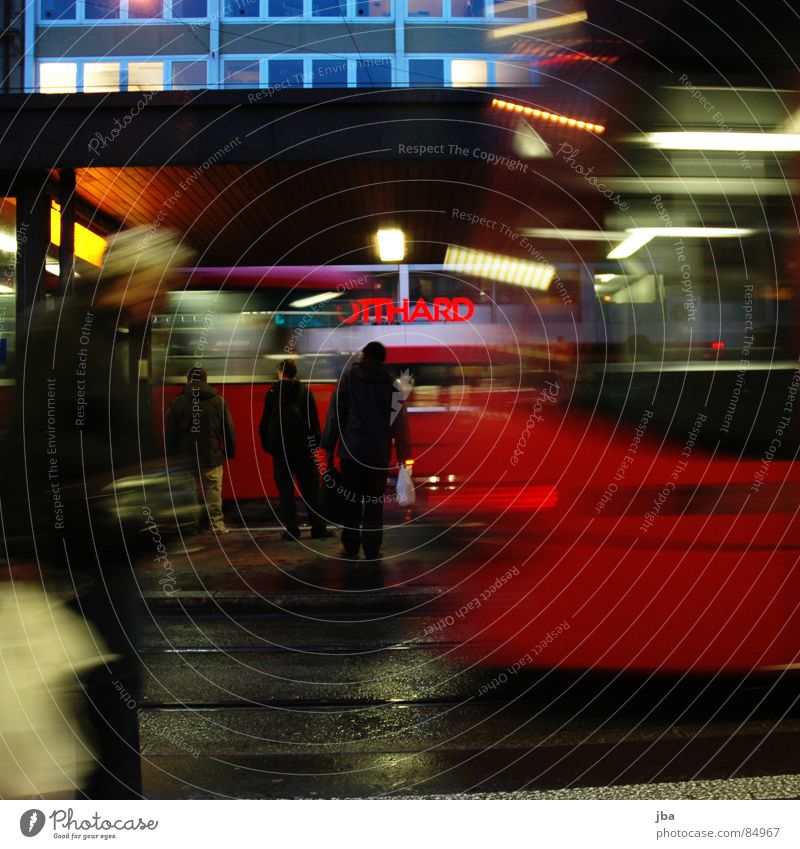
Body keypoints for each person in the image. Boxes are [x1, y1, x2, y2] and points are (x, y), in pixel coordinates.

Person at [1, 226, 193, 799]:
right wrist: (23, 546)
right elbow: (29, 444)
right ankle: (101, 810)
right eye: (161, 284)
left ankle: (111, 804)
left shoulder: (118, 335)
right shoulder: (61, 333)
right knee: (97, 687)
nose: (165, 297)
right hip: (69, 549)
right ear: (131, 279)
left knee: (112, 681)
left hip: (109, 545)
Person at [323, 341, 411, 559]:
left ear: (364, 356)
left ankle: (350, 546)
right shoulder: (393, 385)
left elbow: (336, 415)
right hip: (378, 455)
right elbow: (399, 424)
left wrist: (327, 447)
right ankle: (372, 547)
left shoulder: (348, 379)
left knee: (351, 501)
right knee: (374, 503)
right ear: (383, 359)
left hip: (351, 452)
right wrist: (403, 457)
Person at [259, 359, 331, 541]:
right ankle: (318, 527)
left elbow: (265, 423)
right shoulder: (305, 392)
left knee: (285, 491)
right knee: (310, 489)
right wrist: (313, 447)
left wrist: (270, 447)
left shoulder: (272, 393)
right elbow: (313, 423)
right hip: (304, 451)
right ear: (295, 373)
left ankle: (292, 529)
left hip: (281, 452)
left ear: (280, 373)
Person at [165, 366, 236, 535]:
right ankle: (217, 525)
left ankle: (191, 527)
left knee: (189, 493)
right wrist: (229, 450)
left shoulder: (179, 402)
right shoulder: (218, 400)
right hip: (210, 456)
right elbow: (228, 429)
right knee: (212, 491)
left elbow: (171, 433)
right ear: (205, 380)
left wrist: (171, 457)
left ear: (189, 380)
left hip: (186, 457)